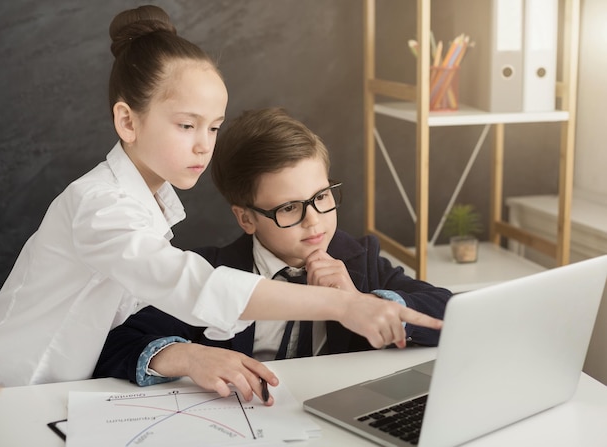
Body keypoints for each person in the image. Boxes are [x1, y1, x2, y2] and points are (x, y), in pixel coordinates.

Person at [0, 6, 442, 389]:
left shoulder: (148, 209)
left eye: (214, 127)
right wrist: (346, 305)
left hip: (55, 391)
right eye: (187, 125)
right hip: (8, 387)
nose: (205, 144)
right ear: (127, 122)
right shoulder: (100, 207)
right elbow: (193, 286)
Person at [93, 107, 452, 404]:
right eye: (290, 208)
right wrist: (189, 357)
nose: (315, 222)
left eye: (322, 197)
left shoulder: (360, 260)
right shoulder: (209, 271)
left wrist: (364, 303)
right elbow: (115, 344)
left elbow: (447, 313)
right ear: (246, 218)